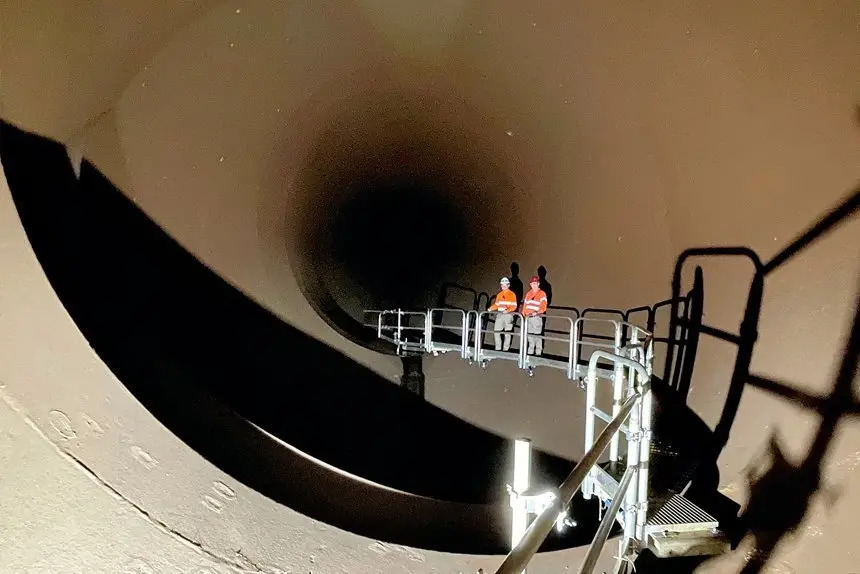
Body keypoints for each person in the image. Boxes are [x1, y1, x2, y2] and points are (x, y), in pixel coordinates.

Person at [488, 277, 518, 351]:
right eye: (502, 285)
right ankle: (498, 348)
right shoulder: (499, 295)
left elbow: (514, 306)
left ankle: (505, 349)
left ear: (508, 285)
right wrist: (490, 308)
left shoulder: (512, 294)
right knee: (496, 331)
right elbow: (497, 305)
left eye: (505, 285)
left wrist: (507, 311)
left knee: (507, 333)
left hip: (508, 315)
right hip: (500, 315)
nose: (503, 286)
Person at [523, 275, 548, 356]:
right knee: (530, 336)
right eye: (532, 283)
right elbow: (525, 305)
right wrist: (523, 315)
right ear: (530, 284)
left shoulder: (542, 294)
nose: (534, 285)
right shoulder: (528, 294)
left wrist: (536, 312)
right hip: (529, 318)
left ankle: (538, 353)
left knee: (537, 336)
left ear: (538, 284)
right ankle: (530, 354)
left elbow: (543, 307)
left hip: (536, 318)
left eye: (535, 283)